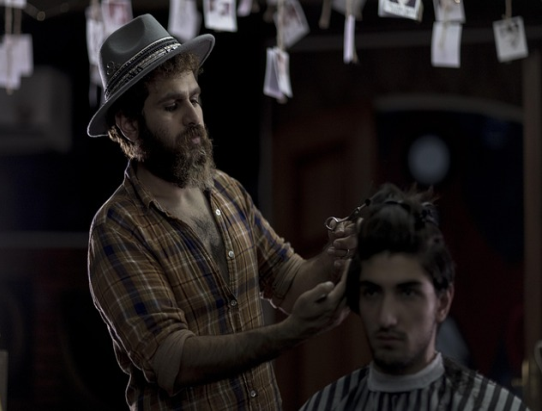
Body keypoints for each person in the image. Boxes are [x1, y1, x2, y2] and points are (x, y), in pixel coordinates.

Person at [86, 13, 356, 411]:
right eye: (172, 105)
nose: (193, 117)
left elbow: (289, 280)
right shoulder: (117, 230)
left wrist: (338, 255)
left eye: (194, 99)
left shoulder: (226, 190)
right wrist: (289, 333)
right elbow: (175, 361)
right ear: (128, 125)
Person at [299, 183, 531, 411]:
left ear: (442, 302)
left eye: (407, 293)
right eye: (372, 292)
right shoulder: (325, 406)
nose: (386, 318)